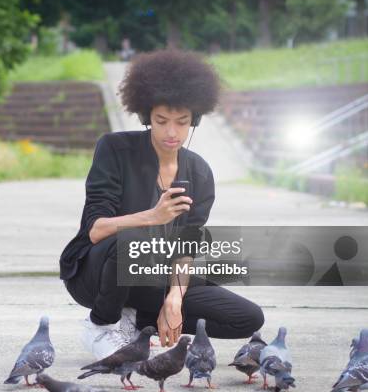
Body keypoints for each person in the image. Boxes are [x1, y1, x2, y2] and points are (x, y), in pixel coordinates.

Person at [59, 49, 264, 360]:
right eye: (161, 120)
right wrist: (153, 216)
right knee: (132, 242)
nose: (172, 132)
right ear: (145, 117)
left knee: (247, 317)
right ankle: (101, 325)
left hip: (153, 276)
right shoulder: (114, 149)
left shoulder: (199, 171)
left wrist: (175, 300)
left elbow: (186, 247)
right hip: (96, 271)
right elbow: (96, 230)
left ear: (194, 120)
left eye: (182, 122)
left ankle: (140, 322)